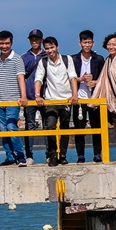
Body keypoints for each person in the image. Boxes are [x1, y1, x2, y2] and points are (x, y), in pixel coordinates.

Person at [34, 37, 78, 166]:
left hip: (66, 100)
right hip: (50, 101)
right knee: (50, 126)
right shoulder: (43, 62)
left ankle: (63, 155)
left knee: (65, 128)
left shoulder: (67, 59)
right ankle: (52, 154)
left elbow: (72, 77)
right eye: (47, 48)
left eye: (52, 47)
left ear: (57, 47)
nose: (50, 50)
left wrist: (74, 95)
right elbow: (38, 79)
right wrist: (38, 96)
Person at [0, 31, 28, 166]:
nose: (4, 46)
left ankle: (20, 156)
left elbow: (20, 78)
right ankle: (10, 157)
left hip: (13, 100)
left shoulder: (17, 59)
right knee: (3, 130)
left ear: (11, 43)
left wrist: (23, 96)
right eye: (2, 43)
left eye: (7, 43)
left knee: (11, 127)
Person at [71, 31, 105, 163]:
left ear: (93, 43)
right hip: (79, 98)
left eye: (89, 42)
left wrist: (94, 82)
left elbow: (103, 78)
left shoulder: (99, 59)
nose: (87, 45)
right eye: (84, 42)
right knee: (79, 128)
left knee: (97, 126)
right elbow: (70, 78)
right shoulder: (73, 59)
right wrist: (81, 79)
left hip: (94, 98)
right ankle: (80, 155)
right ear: (80, 43)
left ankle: (97, 154)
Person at [21, 29, 46, 165]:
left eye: (37, 39)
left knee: (47, 126)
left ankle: (50, 154)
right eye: (32, 39)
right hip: (29, 97)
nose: (34, 41)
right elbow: (20, 78)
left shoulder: (47, 55)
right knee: (29, 127)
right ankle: (29, 156)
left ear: (41, 40)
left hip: (45, 97)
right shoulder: (24, 57)